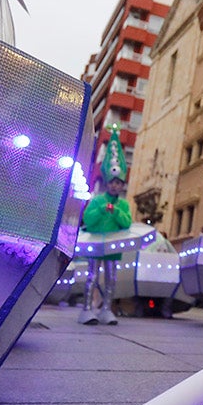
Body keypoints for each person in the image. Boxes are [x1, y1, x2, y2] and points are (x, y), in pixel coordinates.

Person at [79, 126, 134, 325]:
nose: (115, 186)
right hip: (95, 245)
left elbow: (127, 223)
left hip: (113, 247)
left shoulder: (124, 204)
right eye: (112, 182)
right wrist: (102, 209)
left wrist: (116, 211)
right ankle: (86, 309)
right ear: (107, 182)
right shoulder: (97, 200)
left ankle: (106, 309)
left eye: (119, 183)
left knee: (111, 279)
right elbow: (88, 219)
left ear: (122, 185)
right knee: (92, 276)